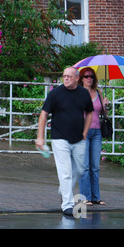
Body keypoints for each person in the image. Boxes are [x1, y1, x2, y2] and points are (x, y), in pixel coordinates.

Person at [36, 66, 94, 216]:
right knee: (65, 172)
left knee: (80, 169)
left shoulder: (83, 94)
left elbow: (89, 113)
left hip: (79, 138)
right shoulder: (55, 93)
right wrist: (40, 137)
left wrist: (85, 132)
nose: (66, 78)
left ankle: (64, 187)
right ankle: (67, 204)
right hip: (59, 138)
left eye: (69, 76)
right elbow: (43, 115)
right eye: (64, 76)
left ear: (77, 78)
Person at [78, 67, 108, 206]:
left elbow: (104, 115)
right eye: (86, 76)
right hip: (83, 132)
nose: (89, 78)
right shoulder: (78, 93)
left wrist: (106, 106)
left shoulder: (98, 92)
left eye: (91, 76)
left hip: (97, 133)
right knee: (84, 166)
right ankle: (85, 197)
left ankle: (96, 197)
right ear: (81, 78)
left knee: (95, 166)